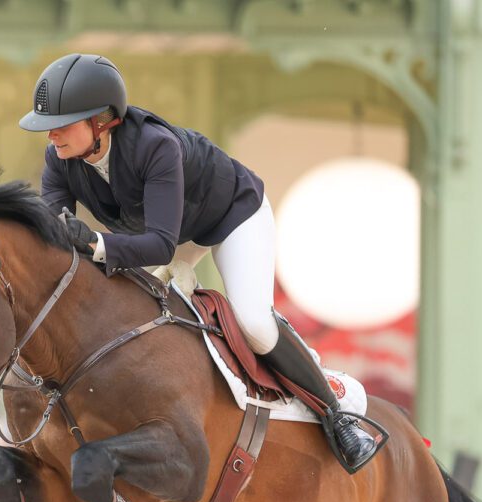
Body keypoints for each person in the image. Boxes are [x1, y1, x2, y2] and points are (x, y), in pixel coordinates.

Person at [20, 54, 377, 472]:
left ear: (101, 121)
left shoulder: (155, 146)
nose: (51, 136)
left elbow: (159, 245)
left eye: (62, 124)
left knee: (254, 324)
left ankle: (337, 414)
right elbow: (55, 237)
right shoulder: (60, 161)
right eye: (49, 127)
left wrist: (97, 243)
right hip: (169, 231)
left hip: (232, 217)